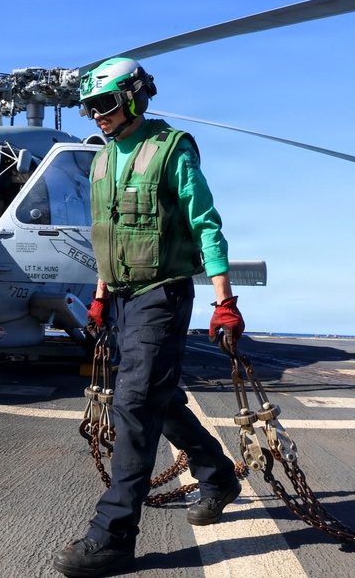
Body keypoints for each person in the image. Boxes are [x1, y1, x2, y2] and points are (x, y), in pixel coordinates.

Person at [53, 58, 246, 577]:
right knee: (154, 394)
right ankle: (218, 475)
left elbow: (206, 225)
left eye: (105, 105)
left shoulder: (170, 150)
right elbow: (106, 234)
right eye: (89, 107)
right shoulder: (100, 160)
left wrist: (224, 301)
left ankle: (112, 537)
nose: (96, 115)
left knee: (135, 402)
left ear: (135, 98)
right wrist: (98, 294)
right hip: (118, 297)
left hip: (162, 292)